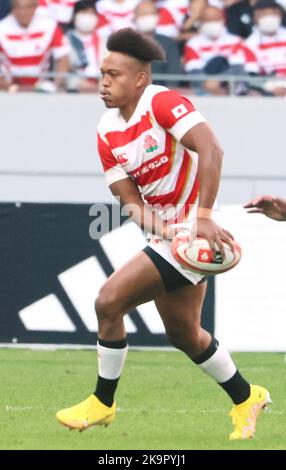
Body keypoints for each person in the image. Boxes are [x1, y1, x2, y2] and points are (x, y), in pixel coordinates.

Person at [56, 28, 271, 440]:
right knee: (185, 334)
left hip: (195, 234)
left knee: (108, 301)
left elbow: (212, 150)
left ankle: (102, 402)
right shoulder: (106, 128)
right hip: (171, 236)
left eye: (114, 74)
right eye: (102, 73)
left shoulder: (162, 102)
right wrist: (166, 230)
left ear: (140, 78)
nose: (103, 82)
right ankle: (247, 397)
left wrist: (202, 218)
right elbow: (130, 201)